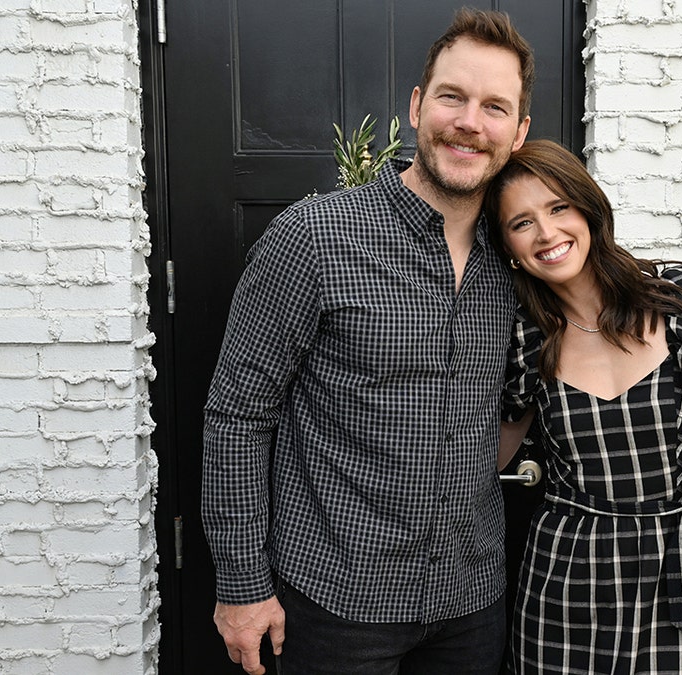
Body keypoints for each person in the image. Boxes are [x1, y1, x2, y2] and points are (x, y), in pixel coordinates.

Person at [201, 9, 533, 674]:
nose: (471, 122)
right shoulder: (314, 239)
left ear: (519, 132)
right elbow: (237, 414)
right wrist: (241, 585)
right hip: (337, 605)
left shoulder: (518, 257)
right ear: (417, 106)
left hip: (471, 604)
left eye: (495, 107)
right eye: (452, 97)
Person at [484, 140, 682, 675]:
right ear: (508, 248)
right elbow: (484, 462)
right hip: (561, 588)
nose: (546, 233)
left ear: (588, 208)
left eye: (558, 207)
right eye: (521, 223)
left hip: (677, 582)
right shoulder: (525, 336)